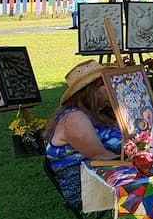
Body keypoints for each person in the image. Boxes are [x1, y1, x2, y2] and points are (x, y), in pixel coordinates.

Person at [46, 61, 123, 208]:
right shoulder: (74, 118)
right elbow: (100, 156)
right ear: (91, 90)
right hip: (86, 185)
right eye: (107, 84)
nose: (114, 87)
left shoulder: (104, 113)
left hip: (110, 173)